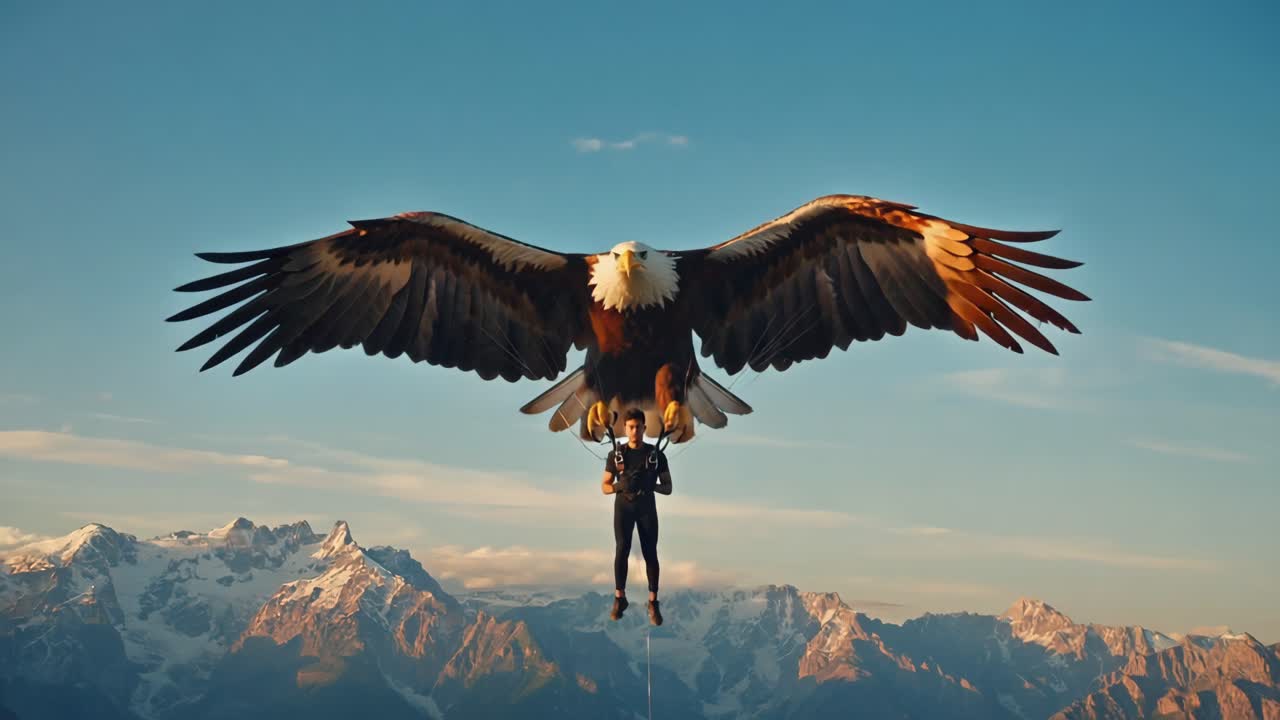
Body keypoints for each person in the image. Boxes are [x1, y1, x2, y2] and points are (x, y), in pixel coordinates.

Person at [601, 407, 672, 626]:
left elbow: (668, 487)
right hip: (623, 506)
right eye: (631, 427)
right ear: (625, 428)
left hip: (646, 506)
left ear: (644, 428)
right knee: (622, 548)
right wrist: (618, 486)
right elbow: (604, 486)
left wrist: (653, 485)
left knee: (650, 551)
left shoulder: (656, 455)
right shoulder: (616, 455)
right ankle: (619, 597)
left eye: (638, 427)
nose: (634, 431)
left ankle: (653, 602)